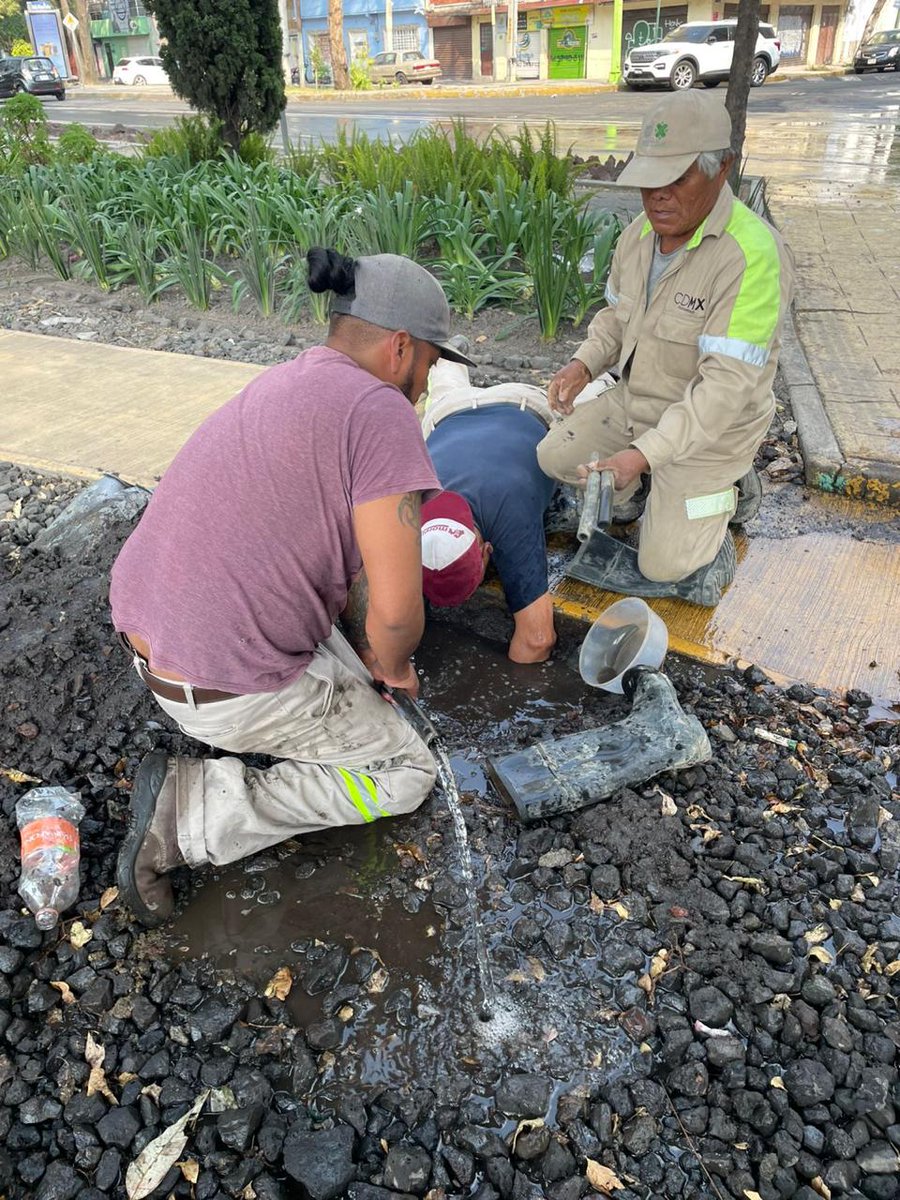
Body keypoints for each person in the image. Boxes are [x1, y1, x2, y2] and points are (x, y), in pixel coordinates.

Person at [110, 247, 477, 928]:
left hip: (153, 636)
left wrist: (365, 657)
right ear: (401, 348)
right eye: (429, 364)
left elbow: (340, 562)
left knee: (358, 680)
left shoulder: (291, 381)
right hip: (218, 685)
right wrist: (393, 662)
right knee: (406, 773)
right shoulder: (381, 411)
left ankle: (261, 726)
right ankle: (190, 817)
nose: (424, 385)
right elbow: (398, 610)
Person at [537, 90, 795, 606]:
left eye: (677, 179)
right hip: (641, 403)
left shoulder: (753, 257)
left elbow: (722, 393)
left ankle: (729, 496)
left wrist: (641, 455)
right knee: (554, 455)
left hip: (712, 432)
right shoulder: (637, 237)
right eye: (650, 180)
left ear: (722, 169)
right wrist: (583, 363)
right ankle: (640, 497)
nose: (658, 196)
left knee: (665, 566)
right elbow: (616, 316)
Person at [417, 356, 562, 663]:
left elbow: (539, 640)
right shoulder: (408, 503)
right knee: (444, 391)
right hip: (449, 413)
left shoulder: (512, 513)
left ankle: (605, 382)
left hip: (526, 406)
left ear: (488, 550)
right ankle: (446, 361)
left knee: (584, 407)